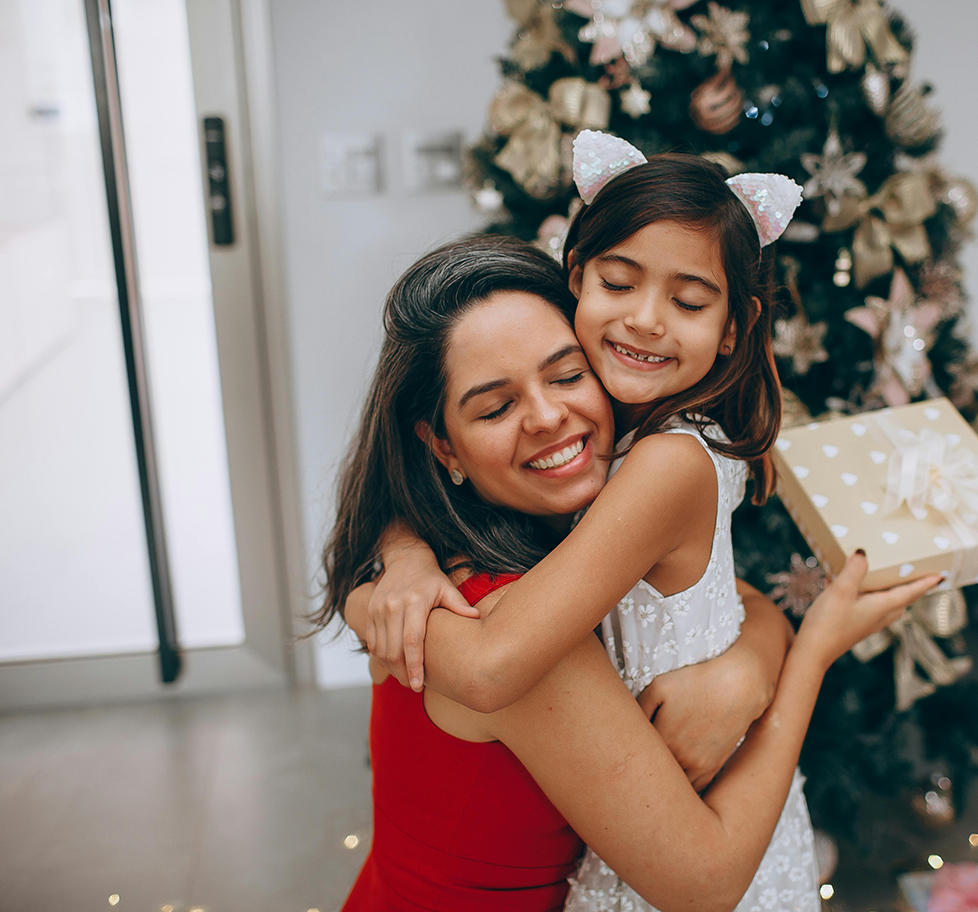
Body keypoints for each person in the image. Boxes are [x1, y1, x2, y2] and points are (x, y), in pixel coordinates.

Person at [356, 133, 939, 910]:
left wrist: (763, 658)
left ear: (733, 324)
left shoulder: (653, 461)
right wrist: (385, 576)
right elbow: (490, 666)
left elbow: (725, 598)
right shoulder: (520, 581)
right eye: (494, 406)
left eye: (566, 374)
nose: (550, 416)